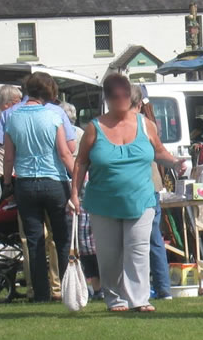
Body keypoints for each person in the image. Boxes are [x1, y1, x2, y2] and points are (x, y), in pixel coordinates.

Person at [71, 75, 184, 313]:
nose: (121, 101)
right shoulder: (94, 127)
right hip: (103, 202)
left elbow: (160, 152)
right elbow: (80, 163)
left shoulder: (146, 124)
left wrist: (175, 163)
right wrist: (73, 195)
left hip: (141, 199)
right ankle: (114, 299)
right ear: (107, 99)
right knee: (109, 255)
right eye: (115, 97)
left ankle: (139, 299)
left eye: (125, 96)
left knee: (138, 248)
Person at [1, 72, 74, 302]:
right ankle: (65, 288)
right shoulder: (53, 116)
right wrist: (81, 178)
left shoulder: (12, 117)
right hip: (53, 182)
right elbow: (64, 153)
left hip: (25, 184)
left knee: (34, 241)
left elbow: (8, 157)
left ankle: (40, 293)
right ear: (49, 92)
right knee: (61, 238)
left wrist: (6, 182)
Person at [131, 85, 172, 300]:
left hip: (140, 186)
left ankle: (148, 288)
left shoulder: (142, 124)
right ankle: (163, 288)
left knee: (137, 240)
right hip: (151, 185)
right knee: (153, 238)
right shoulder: (149, 123)